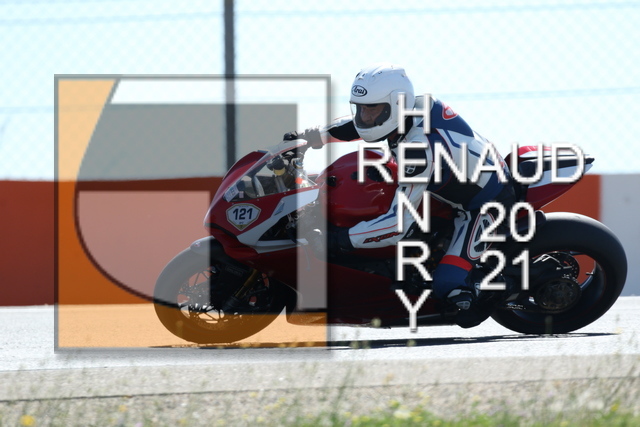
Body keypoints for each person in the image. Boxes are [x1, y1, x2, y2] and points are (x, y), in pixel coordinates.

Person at [284, 63, 516, 327]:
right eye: (361, 108)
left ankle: (484, 289)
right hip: (452, 182)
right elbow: (352, 127)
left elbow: (396, 227)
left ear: (396, 106)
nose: (364, 117)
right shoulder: (412, 108)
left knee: (448, 286)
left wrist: (338, 240)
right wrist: (307, 137)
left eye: (372, 109)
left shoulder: (417, 150)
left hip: (485, 202)